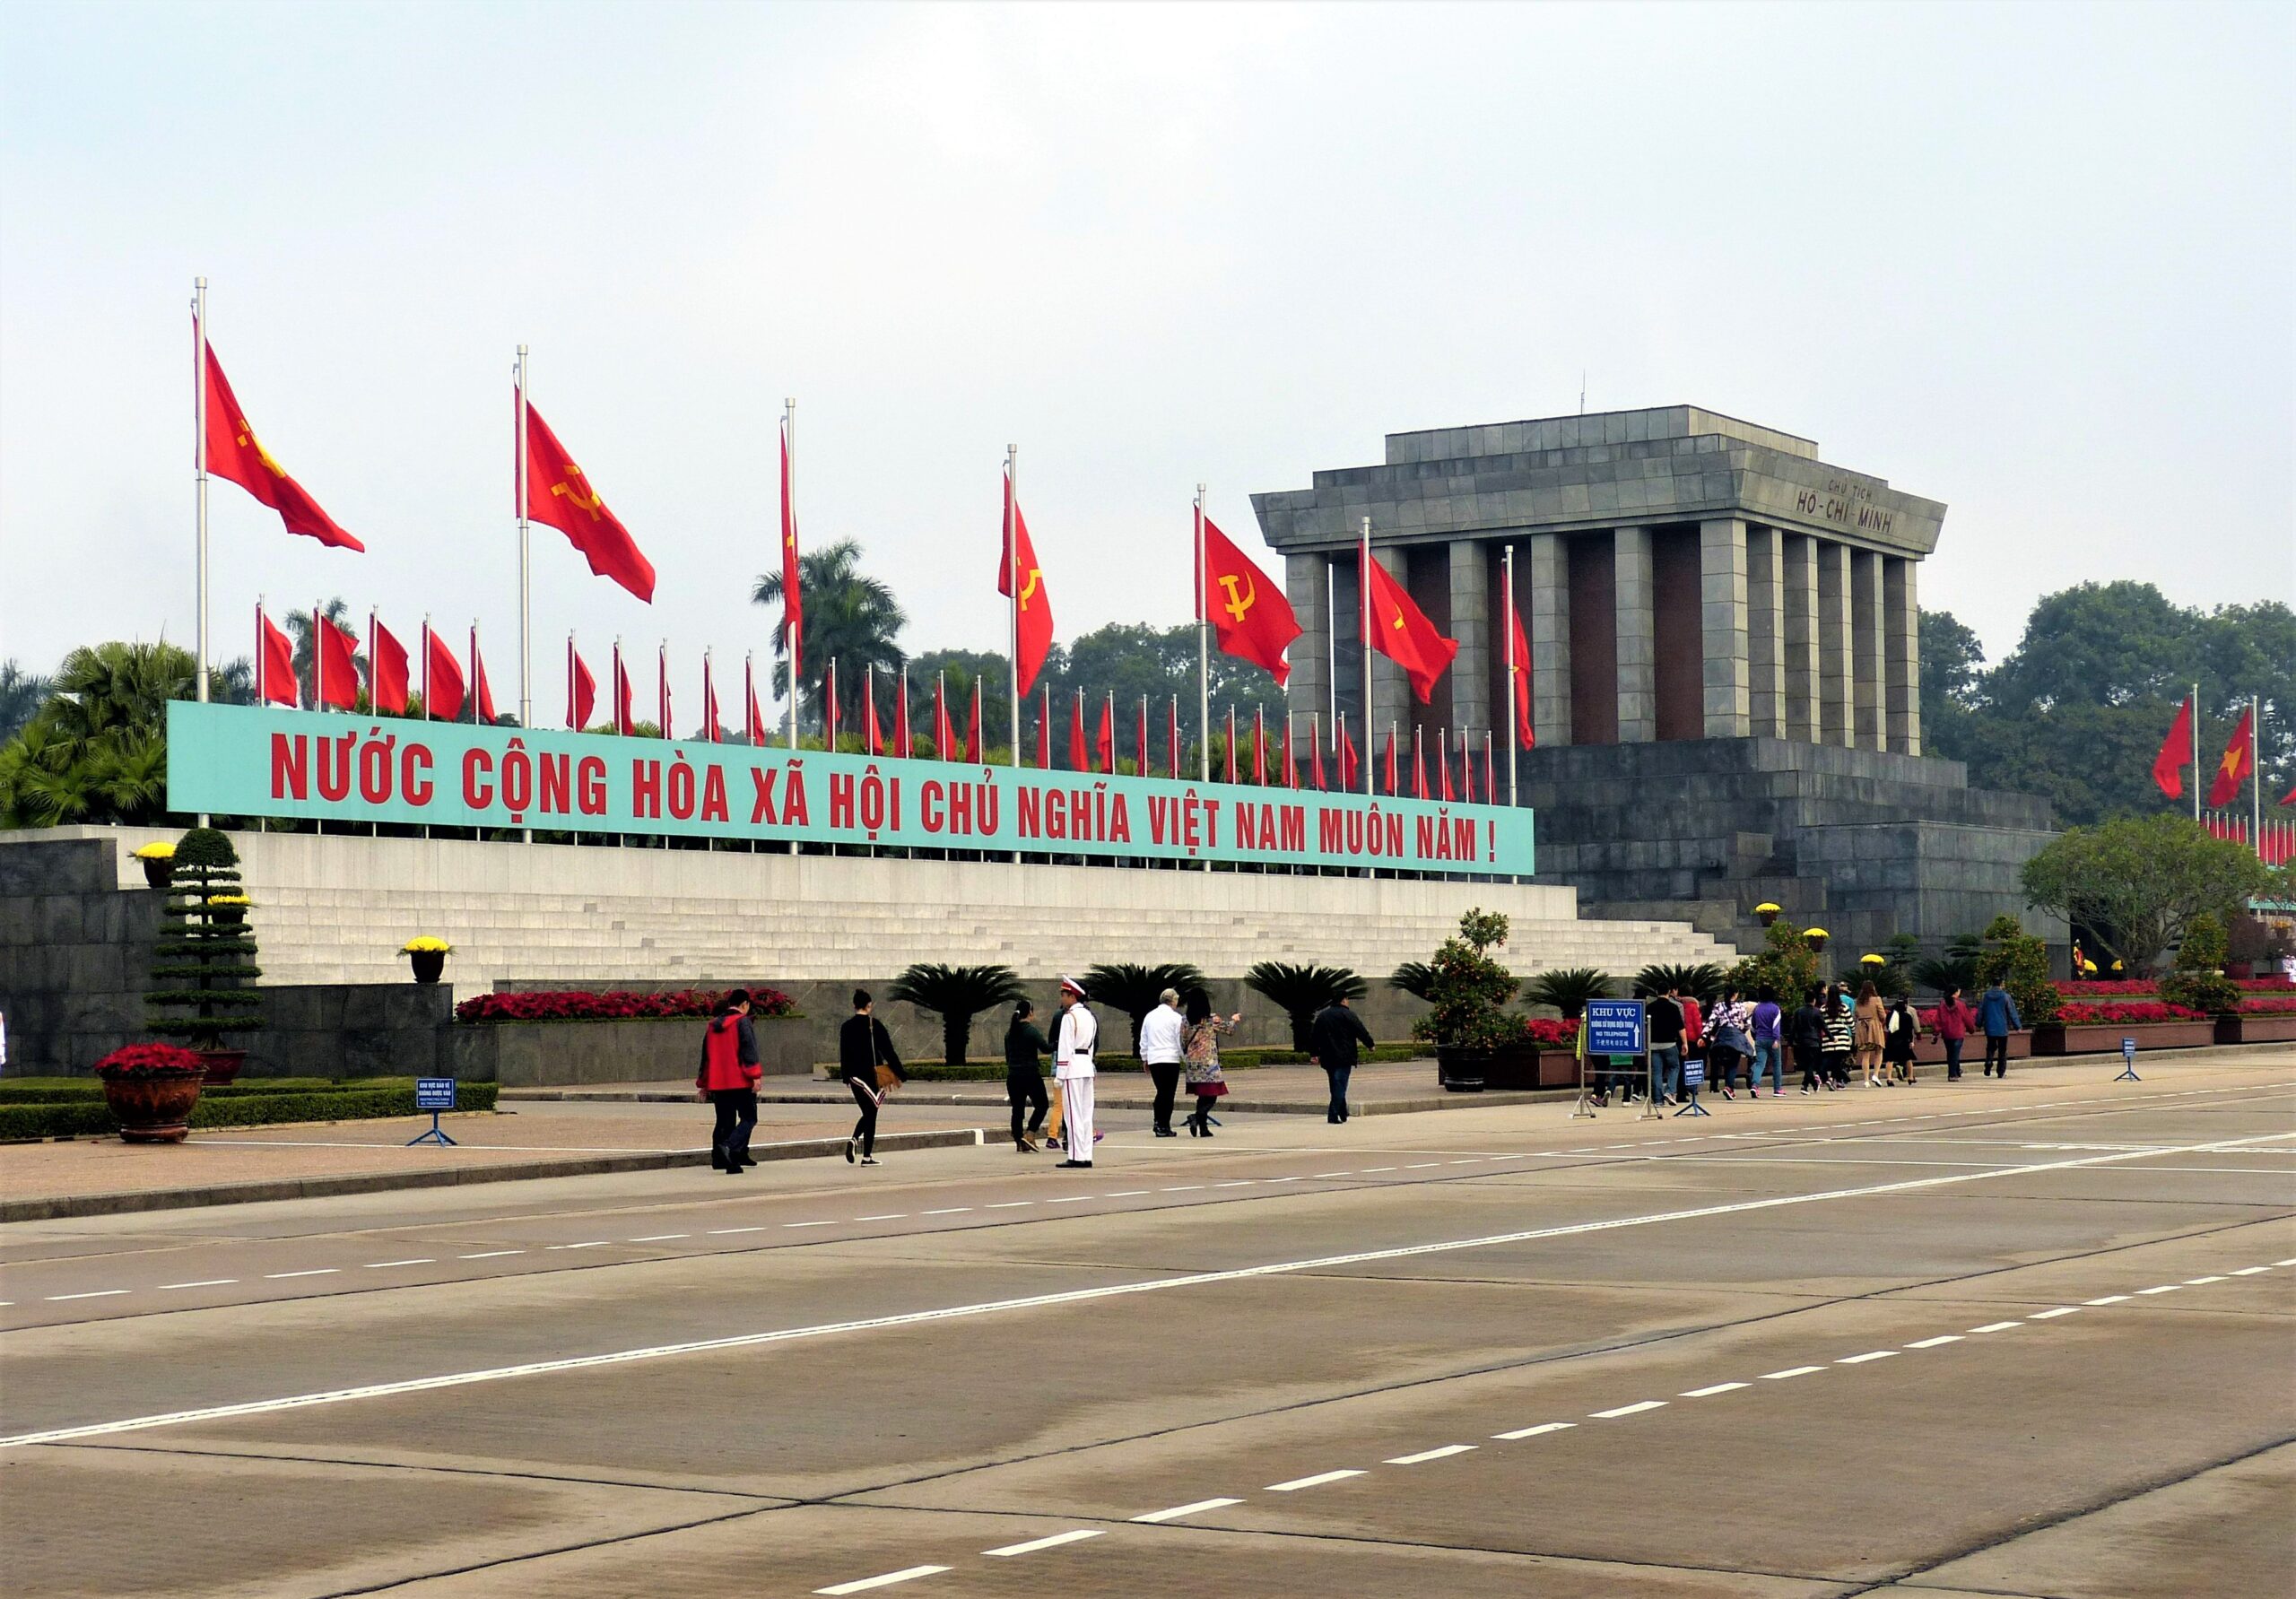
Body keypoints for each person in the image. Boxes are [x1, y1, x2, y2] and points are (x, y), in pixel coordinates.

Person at [695, 989, 761, 1175]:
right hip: (739, 1080)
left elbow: (705, 1056)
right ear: (744, 1004)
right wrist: (755, 1076)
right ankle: (729, 1146)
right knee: (749, 1117)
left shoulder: (713, 1025)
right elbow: (749, 1051)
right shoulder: (742, 1022)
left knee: (724, 1121)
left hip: (718, 1081)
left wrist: (704, 1083)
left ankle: (723, 1160)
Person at [839, 988, 904, 1166]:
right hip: (871, 1077)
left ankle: (863, 1151)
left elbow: (844, 1053)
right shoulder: (875, 1024)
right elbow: (888, 1051)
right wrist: (900, 1073)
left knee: (869, 1112)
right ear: (869, 1005)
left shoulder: (846, 1027)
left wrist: (845, 1077)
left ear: (854, 1005)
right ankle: (861, 1149)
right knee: (871, 1113)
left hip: (854, 1077)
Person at [1053, 975, 1100, 1167]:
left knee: (1072, 1115)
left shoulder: (1069, 1017)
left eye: (1064, 994)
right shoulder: (1090, 1016)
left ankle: (1075, 1156)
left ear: (1072, 996)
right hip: (1086, 1066)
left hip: (1072, 1067)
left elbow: (1065, 1047)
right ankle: (1086, 1154)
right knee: (1086, 1114)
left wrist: (1059, 1075)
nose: (1062, 998)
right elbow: (1091, 1046)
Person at [1308, 994, 1374, 1124]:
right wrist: (1370, 1044)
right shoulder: (1348, 1015)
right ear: (1344, 1000)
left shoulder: (1323, 1016)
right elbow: (1360, 1031)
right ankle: (1333, 1114)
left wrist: (1314, 1054)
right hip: (1344, 1056)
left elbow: (1314, 1036)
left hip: (1328, 1056)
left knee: (1336, 1084)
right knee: (1340, 1085)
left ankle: (1343, 1112)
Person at [1181, 991, 1239, 1136]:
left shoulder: (1185, 1020)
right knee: (1212, 1095)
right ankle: (1195, 1117)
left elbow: (1182, 1040)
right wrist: (1234, 1020)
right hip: (1209, 1063)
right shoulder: (1211, 1020)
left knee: (1202, 1095)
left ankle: (1204, 1128)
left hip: (1192, 1064)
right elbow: (1229, 1029)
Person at [1138, 986, 1188, 1138]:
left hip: (1155, 1059)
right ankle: (1163, 1124)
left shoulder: (1149, 1016)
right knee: (1168, 1093)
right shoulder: (1176, 1018)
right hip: (1170, 1059)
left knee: (1161, 1091)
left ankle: (1159, 1122)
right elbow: (1179, 1041)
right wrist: (1185, 1058)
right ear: (1173, 1001)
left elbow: (1144, 1039)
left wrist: (1145, 1058)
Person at [1004, 999, 1052, 1152]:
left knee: (1017, 1109)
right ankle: (1030, 1133)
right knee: (1042, 1105)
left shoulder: (1009, 1033)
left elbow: (1007, 1057)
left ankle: (1019, 1141)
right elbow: (1045, 1048)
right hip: (1030, 1075)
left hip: (1013, 1075)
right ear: (1031, 1012)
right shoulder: (1031, 1031)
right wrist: (1059, 1043)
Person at [1707, 986, 1751, 1099]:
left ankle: (1727, 1086)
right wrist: (1742, 1031)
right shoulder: (1740, 1006)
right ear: (1735, 994)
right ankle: (1729, 1087)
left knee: (1725, 1062)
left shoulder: (1719, 1006)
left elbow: (1711, 1022)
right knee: (1733, 1063)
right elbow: (1747, 1023)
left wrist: (1703, 1036)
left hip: (1722, 1036)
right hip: (1735, 1037)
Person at [1646, 986, 1686, 1105]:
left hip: (1653, 1044)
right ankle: (1670, 1091)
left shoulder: (1649, 1007)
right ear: (1669, 992)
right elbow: (1681, 1027)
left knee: (1656, 1072)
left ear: (1657, 992)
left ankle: (1658, 1100)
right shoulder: (1673, 1007)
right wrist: (1685, 1043)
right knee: (1674, 1067)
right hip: (1669, 1044)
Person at [1978, 978, 2022, 1078]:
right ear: (2001, 985)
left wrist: (1978, 1023)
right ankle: (2000, 1072)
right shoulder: (2006, 997)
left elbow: (1981, 1011)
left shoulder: (1985, 996)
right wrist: (2017, 1026)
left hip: (1990, 1026)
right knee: (2002, 1050)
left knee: (1990, 1047)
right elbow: (2012, 1012)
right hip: (2002, 1027)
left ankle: (1989, 1061)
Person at [1931, 986, 1975, 1081]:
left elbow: (1938, 1020)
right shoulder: (1960, 1005)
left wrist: (1936, 1032)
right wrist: (1971, 1029)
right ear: (1955, 993)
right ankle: (1952, 1074)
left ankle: (1956, 1071)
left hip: (1947, 1033)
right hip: (1958, 1033)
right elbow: (1967, 1018)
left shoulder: (1942, 1005)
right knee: (1955, 1053)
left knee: (1950, 1053)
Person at [1790, 986, 1828, 1093]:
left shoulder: (1798, 1012)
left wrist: (1791, 1041)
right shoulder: (1817, 1012)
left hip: (1801, 1041)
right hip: (1814, 1041)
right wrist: (1832, 1037)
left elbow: (1793, 1027)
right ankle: (1804, 1085)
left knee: (1807, 1064)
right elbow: (1823, 1026)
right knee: (1811, 1064)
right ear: (1814, 1000)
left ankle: (1813, 1084)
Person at [1749, 985, 1785, 1097]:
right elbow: (1776, 1025)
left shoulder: (1757, 1008)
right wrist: (1776, 1039)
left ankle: (1755, 1085)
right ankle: (1778, 1089)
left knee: (1760, 1064)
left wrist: (1756, 1035)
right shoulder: (1775, 1008)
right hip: (1772, 1039)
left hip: (1760, 1039)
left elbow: (1752, 1025)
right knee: (1777, 1063)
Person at [1822, 982, 1856, 1088]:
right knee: (1839, 1060)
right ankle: (1834, 1079)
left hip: (1829, 1038)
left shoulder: (1823, 1009)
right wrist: (1854, 1033)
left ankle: (1833, 1079)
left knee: (1833, 1060)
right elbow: (1850, 1023)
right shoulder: (1843, 1007)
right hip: (1842, 1038)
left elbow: (1822, 1023)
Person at [1883, 992, 1920, 1085]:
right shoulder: (1907, 1016)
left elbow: (1887, 1026)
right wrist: (1911, 1041)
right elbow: (1909, 1030)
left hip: (1892, 1039)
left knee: (1890, 1059)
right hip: (1904, 1040)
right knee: (1908, 1059)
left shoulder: (1890, 1015)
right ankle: (1911, 1077)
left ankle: (1889, 1078)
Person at [1855, 981, 1888, 1087]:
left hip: (1862, 1027)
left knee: (1865, 1054)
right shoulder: (1877, 999)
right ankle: (1875, 1074)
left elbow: (1856, 1014)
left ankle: (1866, 1080)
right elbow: (1882, 1015)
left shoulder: (1859, 1001)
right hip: (1874, 1026)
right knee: (1879, 1051)